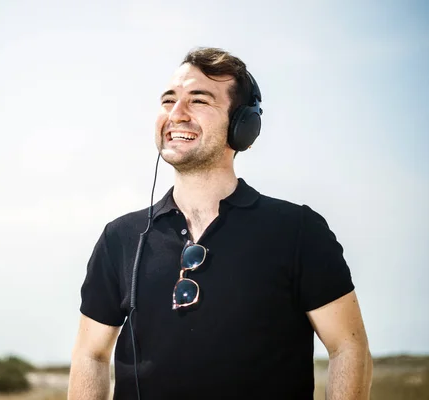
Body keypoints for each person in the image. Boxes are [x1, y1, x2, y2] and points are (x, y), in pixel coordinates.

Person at [68, 46, 373, 400]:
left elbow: (347, 348)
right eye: (168, 100)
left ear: (242, 125)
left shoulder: (298, 230)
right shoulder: (120, 238)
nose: (176, 114)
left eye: (198, 101)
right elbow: (91, 354)